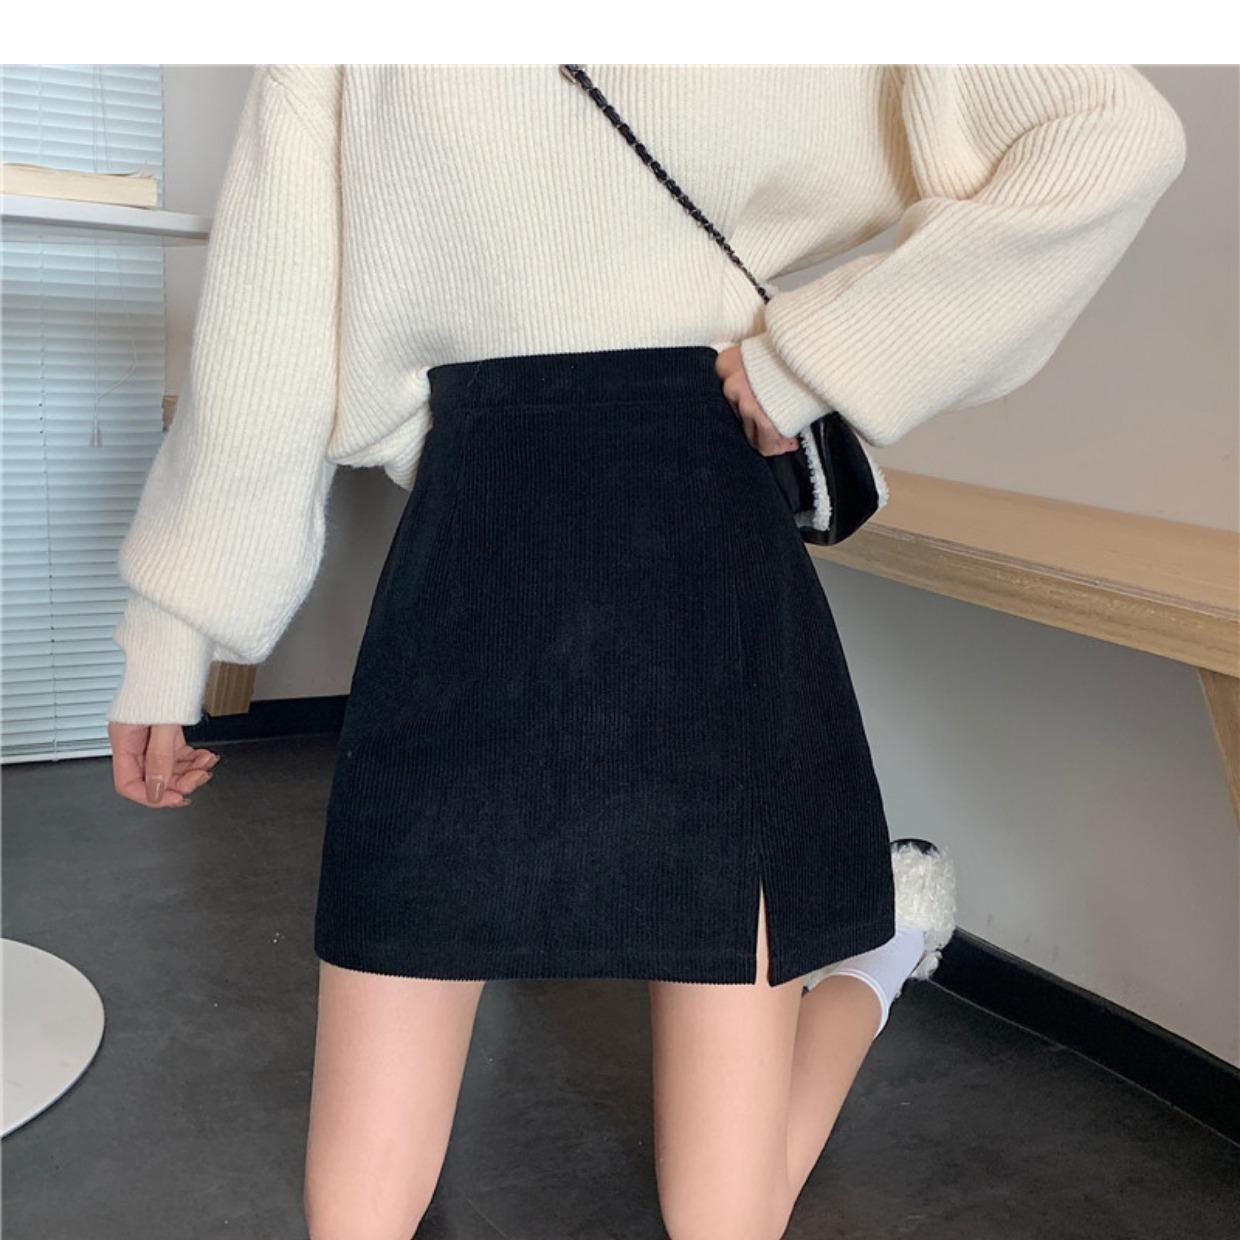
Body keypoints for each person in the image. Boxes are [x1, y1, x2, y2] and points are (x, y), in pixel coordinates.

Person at [106, 64, 1185, 1240]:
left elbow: (1107, 137)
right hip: (474, 555)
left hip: (695, 539)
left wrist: (824, 355)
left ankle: (876, 964)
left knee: (722, 1215)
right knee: (352, 1212)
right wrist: (172, 635)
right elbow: (266, 319)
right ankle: (885, 943)